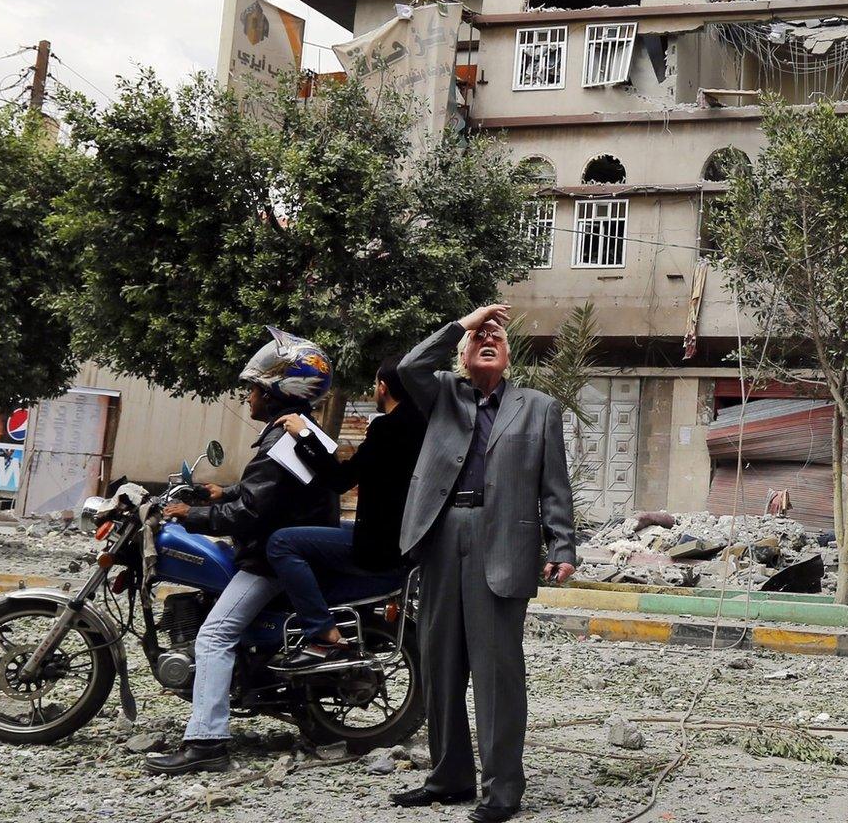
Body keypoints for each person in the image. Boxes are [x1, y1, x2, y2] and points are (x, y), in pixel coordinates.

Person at [387, 304, 576, 823]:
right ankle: (448, 777)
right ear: (464, 353)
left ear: (510, 355)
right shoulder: (443, 393)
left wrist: (562, 545)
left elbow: (554, 485)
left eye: (497, 336)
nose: (488, 339)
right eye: (478, 338)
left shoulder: (538, 407)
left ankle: (502, 791)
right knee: (439, 662)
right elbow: (408, 367)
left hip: (505, 542)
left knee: (497, 673)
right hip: (443, 534)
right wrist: (467, 321)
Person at [148, 328, 339, 775]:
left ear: (278, 392)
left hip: (275, 559)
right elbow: (271, 493)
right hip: (286, 549)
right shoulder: (298, 433)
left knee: (213, 636)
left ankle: (207, 742)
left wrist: (186, 515)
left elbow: (251, 513)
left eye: (255, 388)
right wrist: (222, 492)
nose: (248, 396)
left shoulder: (284, 440)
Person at [265, 355, 428, 670]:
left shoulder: (388, 428)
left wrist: (304, 436)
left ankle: (321, 630)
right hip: (399, 543)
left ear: (383, 387)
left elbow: (340, 480)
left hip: (380, 549)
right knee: (323, 527)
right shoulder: (423, 424)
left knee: (281, 542)